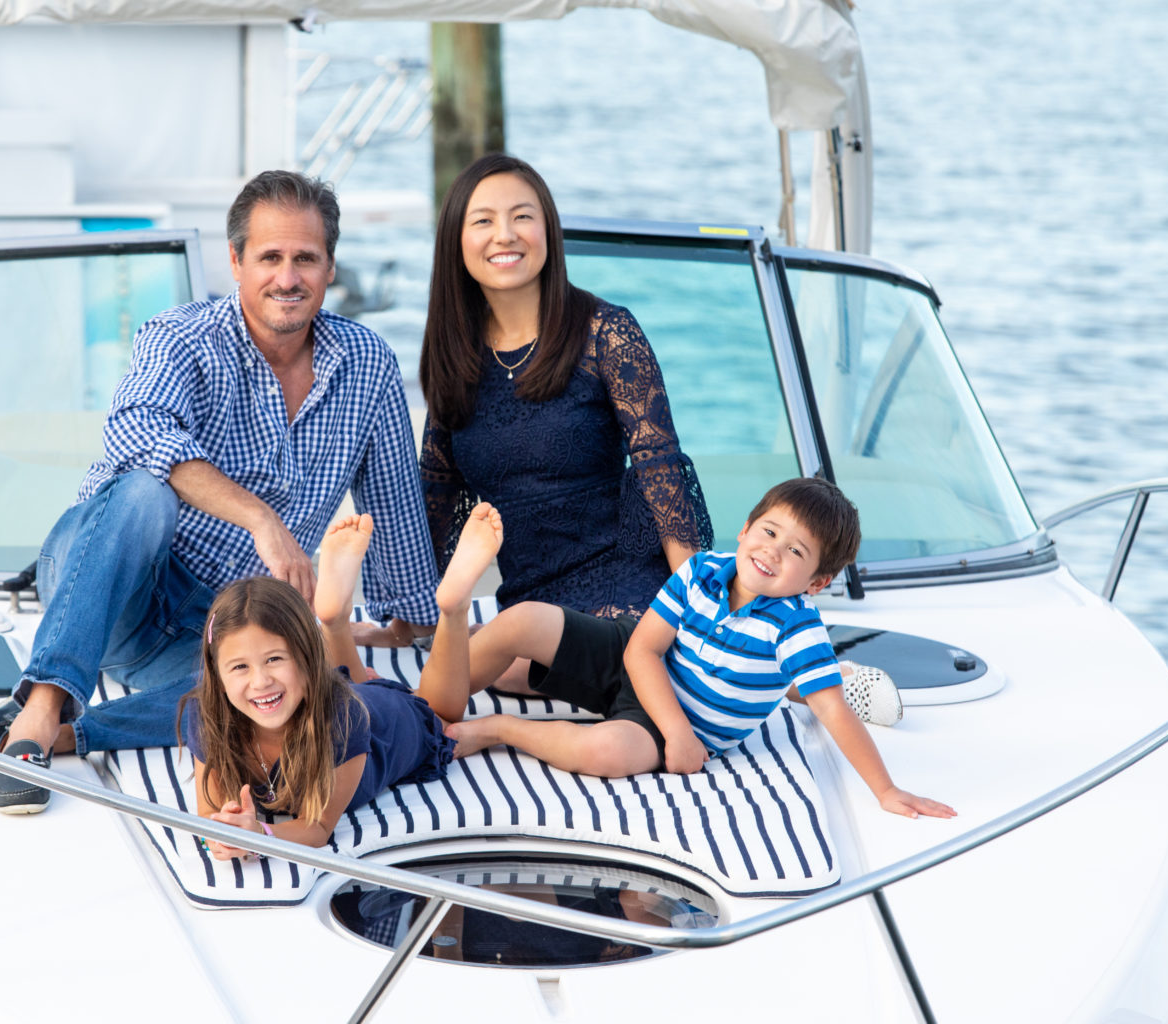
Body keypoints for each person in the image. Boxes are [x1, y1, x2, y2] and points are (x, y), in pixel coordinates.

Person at [0, 170, 439, 814]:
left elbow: (394, 509)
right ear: (237, 262)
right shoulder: (180, 337)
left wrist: (409, 625)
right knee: (143, 491)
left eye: (305, 258)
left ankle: (70, 736)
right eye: (270, 258)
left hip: (221, 636)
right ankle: (40, 705)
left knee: (279, 696)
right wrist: (262, 521)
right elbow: (137, 433)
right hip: (115, 587)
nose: (288, 277)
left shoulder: (368, 366)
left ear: (330, 266)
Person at [440, 478, 955, 820]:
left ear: (817, 581)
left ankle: (497, 729)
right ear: (745, 528)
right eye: (769, 531)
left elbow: (835, 713)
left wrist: (886, 791)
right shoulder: (704, 568)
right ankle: (441, 686)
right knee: (524, 622)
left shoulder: (796, 628)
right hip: (640, 662)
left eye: (795, 551)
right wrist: (678, 733)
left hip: (664, 721)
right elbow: (641, 650)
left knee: (607, 750)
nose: (773, 551)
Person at [417, 153, 712, 626]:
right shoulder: (456, 356)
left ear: (547, 231)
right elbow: (435, 494)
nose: (505, 235)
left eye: (522, 217)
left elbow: (660, 468)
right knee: (481, 655)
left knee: (512, 648)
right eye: (484, 221)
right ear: (456, 240)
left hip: (626, 584)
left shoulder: (607, 333)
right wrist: (409, 619)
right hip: (528, 602)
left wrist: (701, 612)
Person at [185, 508, 503, 856]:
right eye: (239, 667)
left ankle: (453, 606)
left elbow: (317, 828)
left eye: (274, 659)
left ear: (309, 658)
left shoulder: (343, 719)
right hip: (340, 697)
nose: (260, 681)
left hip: (391, 722)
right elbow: (207, 821)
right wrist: (223, 832)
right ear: (216, 675)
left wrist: (258, 835)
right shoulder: (208, 716)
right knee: (350, 690)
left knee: (441, 714)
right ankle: (334, 618)